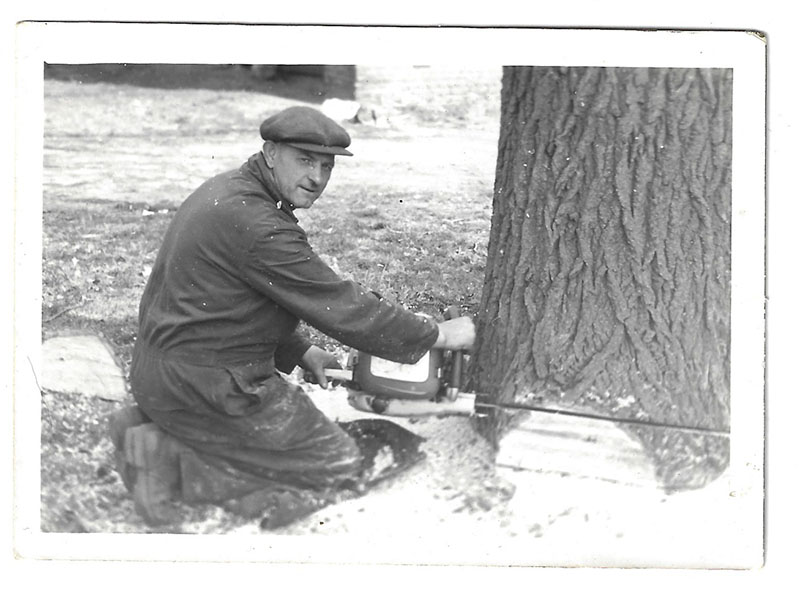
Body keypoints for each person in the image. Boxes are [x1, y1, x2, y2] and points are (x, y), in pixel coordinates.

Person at [108, 106, 475, 527]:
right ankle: (168, 461)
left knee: (304, 449)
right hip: (208, 388)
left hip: (168, 373)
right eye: (304, 160)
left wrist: (301, 351)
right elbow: (340, 305)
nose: (316, 178)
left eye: (326, 165)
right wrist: (439, 336)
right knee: (339, 463)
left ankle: (158, 429)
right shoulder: (258, 222)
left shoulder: (228, 191)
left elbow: (221, 300)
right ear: (269, 152)